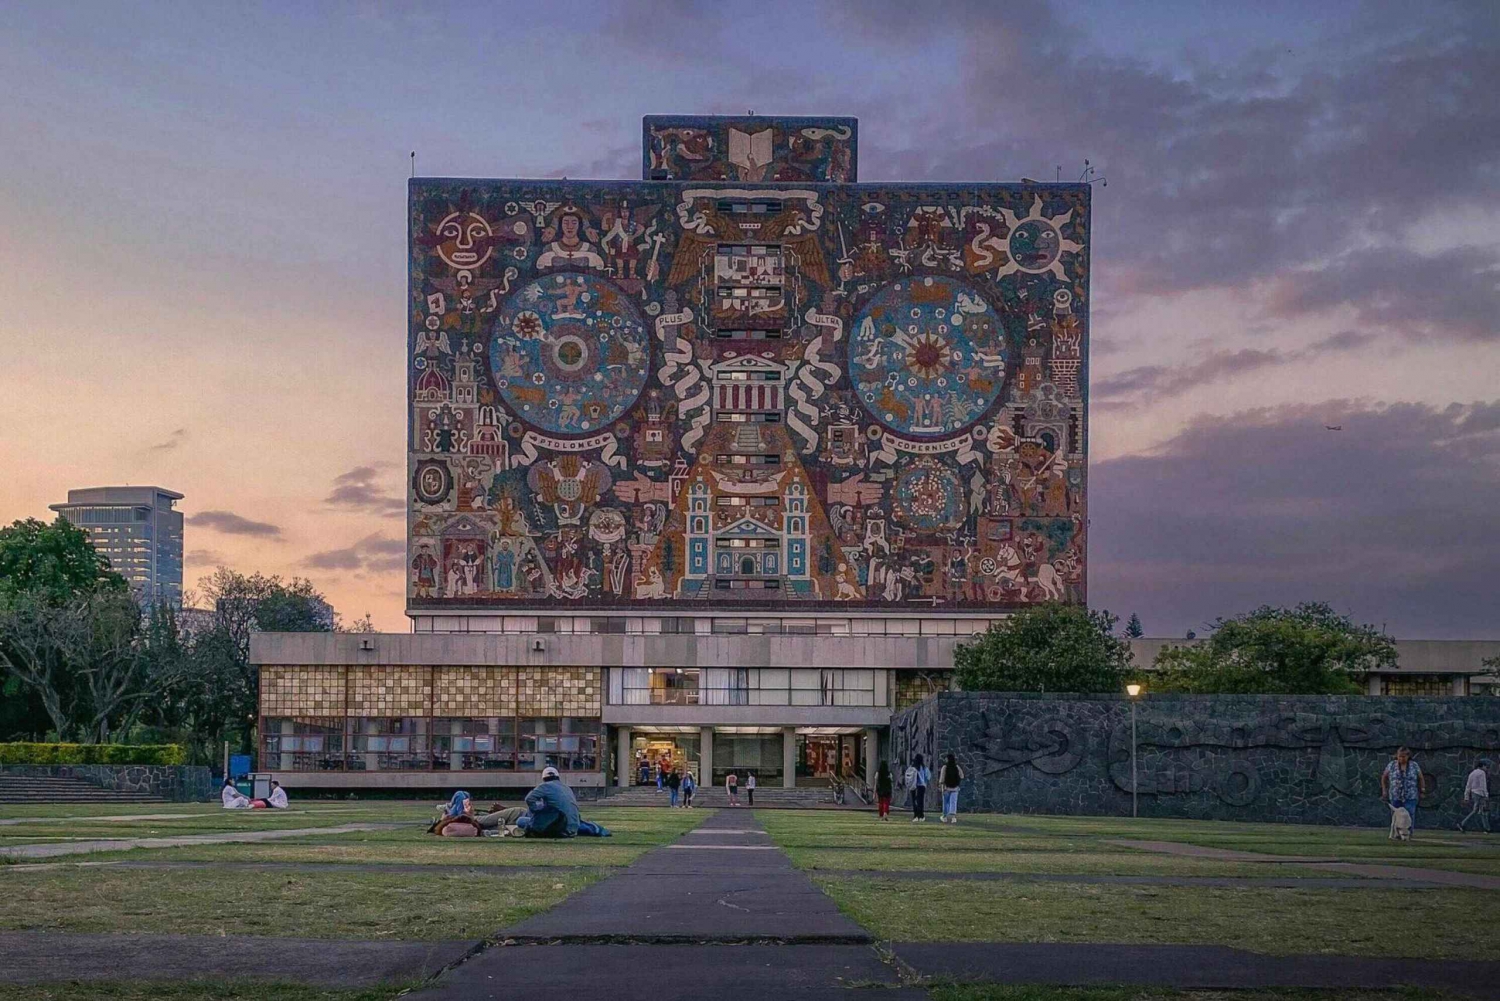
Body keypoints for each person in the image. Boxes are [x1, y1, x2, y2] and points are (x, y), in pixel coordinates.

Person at [521, 766, 581, 838]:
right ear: (558, 777)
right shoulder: (566, 787)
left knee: (520, 821)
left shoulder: (545, 786)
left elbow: (529, 799)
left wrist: (535, 810)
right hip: (574, 828)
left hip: (559, 826)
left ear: (543, 778)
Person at [1381, 746, 1422, 831]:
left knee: (1410, 814)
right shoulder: (1392, 765)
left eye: (1403, 756)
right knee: (1396, 815)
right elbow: (1384, 777)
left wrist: (1422, 789)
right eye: (1399, 756)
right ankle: (1396, 833)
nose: (1401, 758)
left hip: (1410, 795)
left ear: (1408, 756)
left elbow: (1420, 777)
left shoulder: (1414, 765)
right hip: (1395, 794)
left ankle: (1408, 833)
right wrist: (1384, 790)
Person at [1460, 760, 1491, 833]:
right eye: (1486, 766)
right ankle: (1486, 828)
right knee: (1482, 810)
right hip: (1480, 793)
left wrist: (1466, 796)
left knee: (1478, 810)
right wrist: (1486, 795)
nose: (1487, 768)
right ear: (1482, 766)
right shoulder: (1482, 773)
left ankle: (1463, 824)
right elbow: (1483, 785)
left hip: (1474, 793)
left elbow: (1468, 785)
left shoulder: (1472, 773)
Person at [939, 753, 964, 824]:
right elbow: (962, 776)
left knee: (946, 803)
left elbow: (942, 779)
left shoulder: (944, 767)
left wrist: (941, 786)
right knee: (953, 802)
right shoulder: (957, 767)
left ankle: (944, 817)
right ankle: (953, 818)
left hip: (946, 788)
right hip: (955, 788)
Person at [906, 754, 931, 823]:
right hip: (921, 786)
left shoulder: (912, 767)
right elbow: (928, 776)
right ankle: (921, 815)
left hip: (913, 786)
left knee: (914, 801)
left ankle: (915, 815)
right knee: (920, 801)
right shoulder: (923, 767)